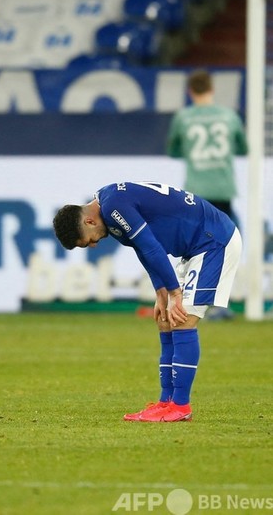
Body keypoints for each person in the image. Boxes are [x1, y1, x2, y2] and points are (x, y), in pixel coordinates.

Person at [53, 181, 241, 422]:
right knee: (165, 320)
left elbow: (153, 248)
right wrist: (161, 291)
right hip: (194, 249)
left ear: (89, 221)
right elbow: (143, 248)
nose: (94, 244)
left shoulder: (113, 207)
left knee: (183, 318)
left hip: (214, 241)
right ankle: (166, 402)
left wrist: (174, 293)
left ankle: (181, 406)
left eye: (88, 240)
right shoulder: (109, 210)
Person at [166, 68, 248, 223]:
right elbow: (243, 148)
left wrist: (189, 150)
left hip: (196, 189)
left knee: (197, 239)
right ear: (212, 89)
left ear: (190, 91)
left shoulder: (182, 117)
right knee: (224, 237)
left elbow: (173, 151)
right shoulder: (230, 115)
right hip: (223, 188)